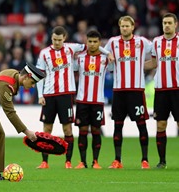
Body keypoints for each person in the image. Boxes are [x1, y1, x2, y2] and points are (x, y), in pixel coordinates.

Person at [35, 26, 112, 169]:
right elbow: (39, 76)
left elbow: (92, 46)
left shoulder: (71, 48)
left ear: (64, 38)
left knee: (67, 129)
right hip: (49, 95)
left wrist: (107, 53)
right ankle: (44, 161)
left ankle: (68, 161)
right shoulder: (44, 53)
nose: (57, 42)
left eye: (59, 40)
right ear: (51, 38)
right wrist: (40, 95)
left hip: (66, 95)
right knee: (47, 128)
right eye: (54, 39)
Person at [105, 15, 152, 169]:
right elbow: (102, 56)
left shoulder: (142, 42)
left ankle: (145, 160)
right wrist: (108, 55)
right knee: (118, 125)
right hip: (119, 91)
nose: (124, 28)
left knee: (141, 124)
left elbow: (157, 53)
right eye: (122, 26)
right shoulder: (112, 42)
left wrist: (143, 66)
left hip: (136, 90)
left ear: (133, 27)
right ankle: (117, 160)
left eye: (127, 26)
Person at [73, 30, 113, 169]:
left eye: (95, 41)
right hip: (82, 101)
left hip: (97, 101)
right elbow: (71, 67)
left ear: (100, 43)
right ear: (86, 42)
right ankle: (82, 162)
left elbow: (114, 66)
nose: (92, 44)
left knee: (96, 130)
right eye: (90, 41)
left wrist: (107, 53)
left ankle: (95, 161)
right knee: (82, 130)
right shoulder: (80, 58)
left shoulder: (105, 59)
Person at [148, 12, 179, 169]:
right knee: (160, 125)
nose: (166, 25)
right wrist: (128, 64)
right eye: (164, 23)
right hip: (161, 90)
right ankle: (162, 161)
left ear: (175, 25)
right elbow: (153, 64)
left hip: (177, 89)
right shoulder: (156, 42)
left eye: (169, 23)